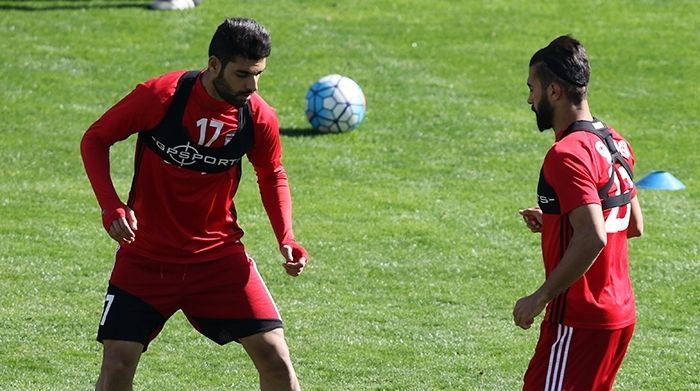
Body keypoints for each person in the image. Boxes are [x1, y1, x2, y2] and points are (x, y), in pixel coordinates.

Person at [81, 17, 308, 390]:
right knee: (118, 363)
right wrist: (112, 206)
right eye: (243, 75)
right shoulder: (162, 97)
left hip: (218, 259)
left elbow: (272, 174)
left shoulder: (256, 115)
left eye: (259, 74)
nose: (253, 86)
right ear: (214, 64)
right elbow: (95, 139)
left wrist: (286, 235)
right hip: (147, 258)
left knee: (276, 358)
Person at [513, 35, 644, 391]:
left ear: (554, 92)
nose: (529, 99)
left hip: (578, 317)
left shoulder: (567, 154)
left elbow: (594, 235)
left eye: (532, 88)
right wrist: (557, 224)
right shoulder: (613, 141)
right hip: (618, 314)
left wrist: (539, 297)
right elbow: (632, 223)